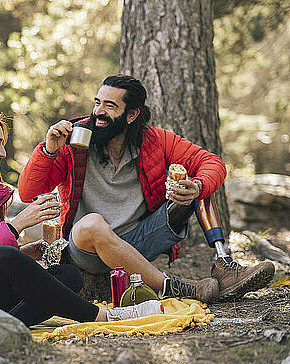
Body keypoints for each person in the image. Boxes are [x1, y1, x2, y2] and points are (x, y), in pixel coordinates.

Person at [18, 75, 274, 303]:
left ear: (132, 115)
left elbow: (211, 162)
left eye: (110, 106)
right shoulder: (75, 139)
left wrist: (196, 187)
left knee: (202, 183)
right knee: (91, 224)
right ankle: (171, 287)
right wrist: (48, 149)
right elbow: (28, 192)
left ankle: (223, 263)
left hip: (139, 240)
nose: (99, 112)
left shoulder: (156, 141)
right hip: (86, 249)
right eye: (97, 103)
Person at [0, 108, 164, 327]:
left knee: (68, 276)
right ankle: (107, 316)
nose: (2, 153)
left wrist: (24, 254)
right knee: (8, 258)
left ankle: (5, 326)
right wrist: (17, 225)